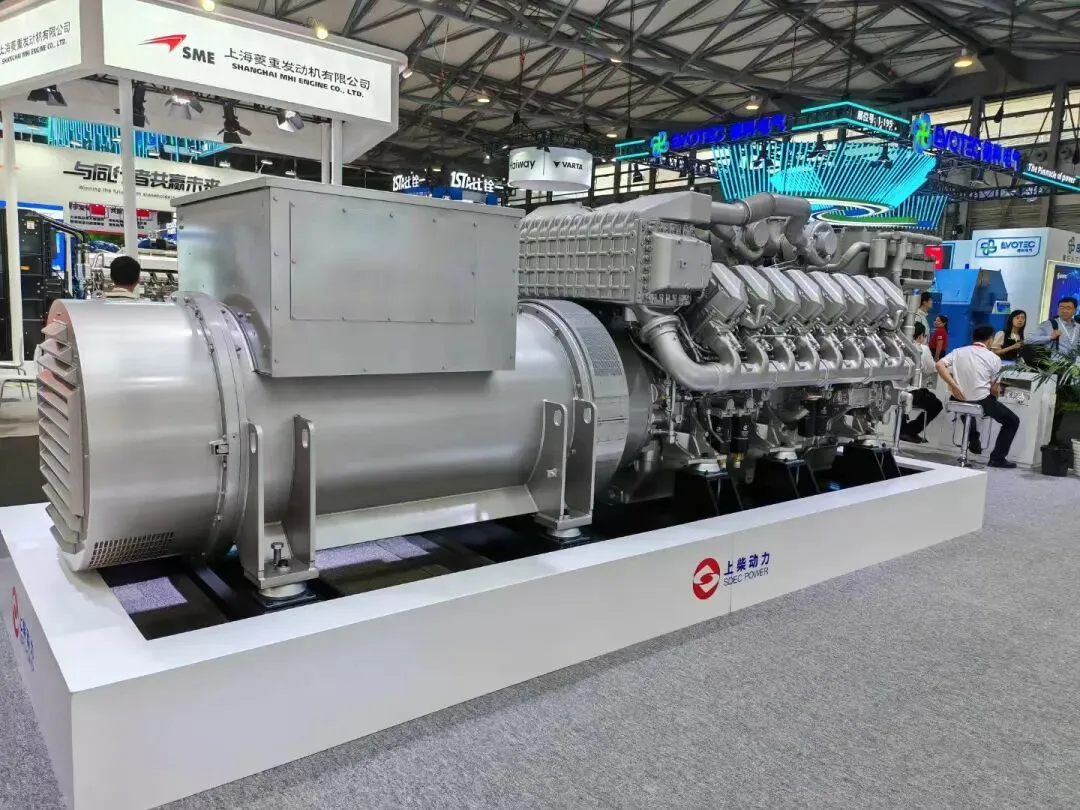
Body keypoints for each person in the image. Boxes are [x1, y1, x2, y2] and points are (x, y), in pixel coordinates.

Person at [936, 324, 1019, 469]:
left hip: (957, 399)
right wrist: (998, 395)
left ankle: (973, 436)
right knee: (1012, 421)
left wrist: (954, 385)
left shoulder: (957, 351)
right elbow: (994, 388)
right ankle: (997, 458)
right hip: (981, 401)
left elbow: (939, 365)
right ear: (990, 340)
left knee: (966, 408)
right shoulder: (994, 358)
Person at [899, 322, 943, 443]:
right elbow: (930, 369)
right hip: (912, 394)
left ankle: (902, 429)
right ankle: (909, 431)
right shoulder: (922, 349)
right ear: (920, 337)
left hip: (892, 391)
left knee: (900, 404)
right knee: (936, 404)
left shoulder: (894, 346)